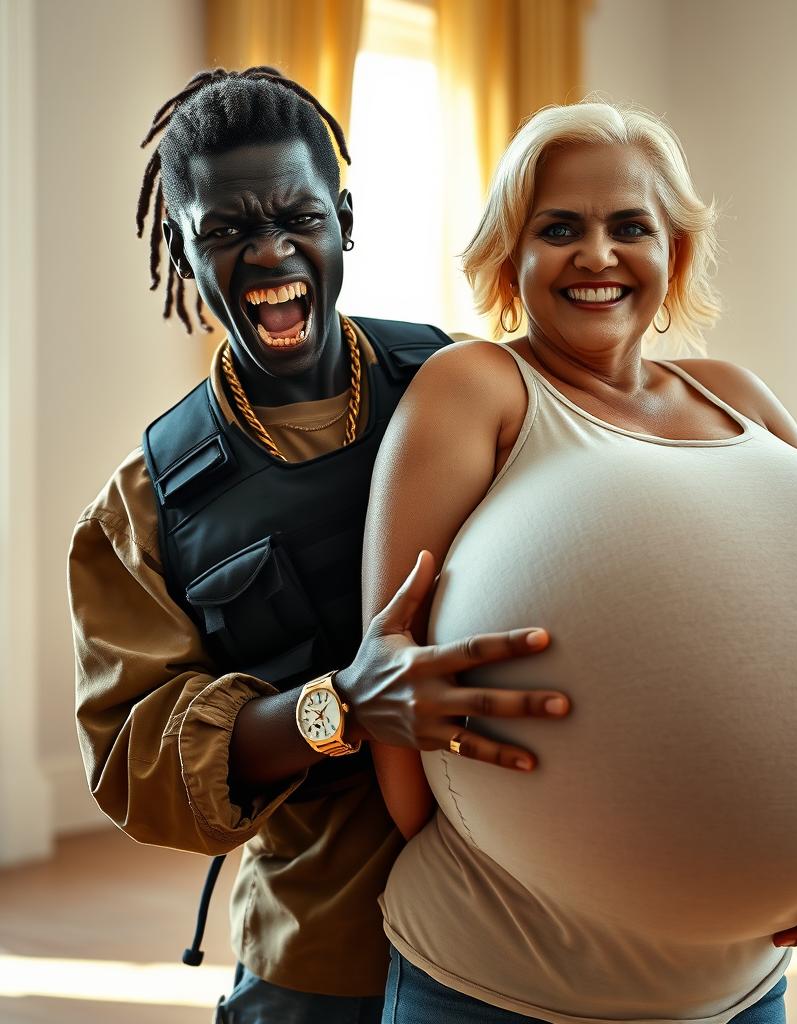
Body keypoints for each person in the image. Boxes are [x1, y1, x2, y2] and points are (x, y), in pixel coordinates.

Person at [362, 101, 797, 1023]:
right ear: (510, 254)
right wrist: (505, 840)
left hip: (738, 985)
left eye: (630, 227)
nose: (598, 255)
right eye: (559, 229)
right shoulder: (476, 390)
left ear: (674, 252)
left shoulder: (737, 397)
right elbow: (393, 666)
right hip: (502, 976)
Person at [69, 67, 572, 1023]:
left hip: (525, 923)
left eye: (298, 216)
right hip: (325, 956)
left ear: (344, 220)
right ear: (180, 248)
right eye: (226, 230)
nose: (269, 251)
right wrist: (338, 708)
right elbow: (140, 768)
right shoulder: (139, 511)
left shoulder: (469, 388)